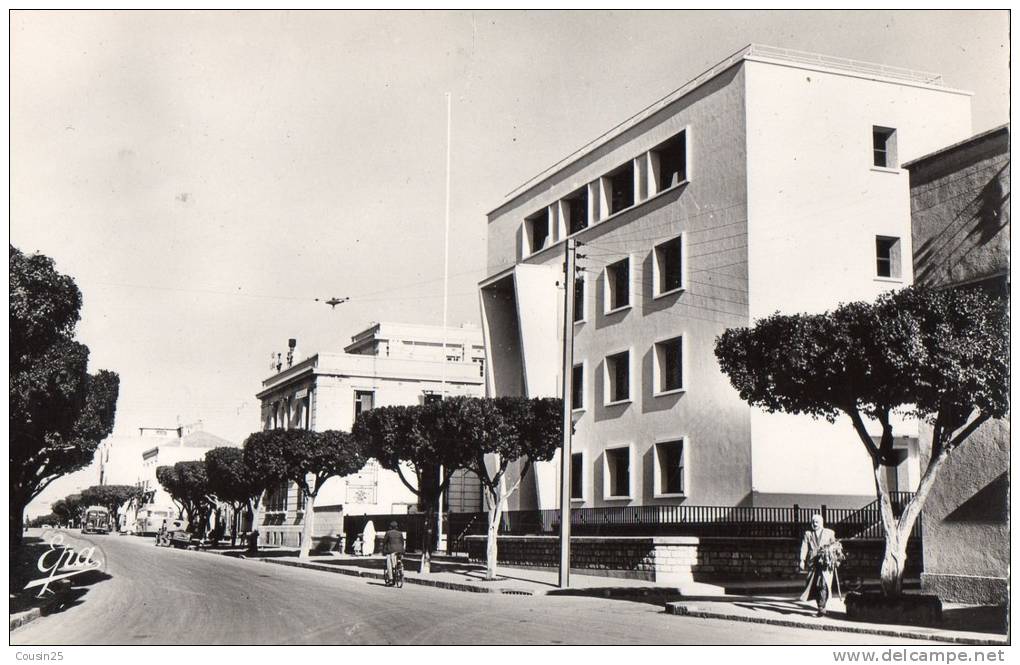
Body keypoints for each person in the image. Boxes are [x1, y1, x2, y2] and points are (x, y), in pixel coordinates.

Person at [799, 513, 837, 616]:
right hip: (813, 563)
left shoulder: (829, 533)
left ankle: (821, 607)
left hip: (825, 563)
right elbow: (804, 547)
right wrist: (802, 560)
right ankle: (820, 606)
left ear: (821, 523)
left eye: (817, 522)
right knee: (814, 585)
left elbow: (835, 546)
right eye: (813, 522)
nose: (814, 524)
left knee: (823, 584)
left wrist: (832, 553)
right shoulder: (808, 534)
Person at [381, 521, 405, 585]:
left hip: (391, 550)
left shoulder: (388, 533)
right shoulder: (400, 533)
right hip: (400, 550)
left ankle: (391, 579)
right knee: (398, 560)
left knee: (389, 563)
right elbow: (402, 542)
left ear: (390, 527)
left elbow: (384, 542)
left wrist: (383, 550)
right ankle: (399, 567)